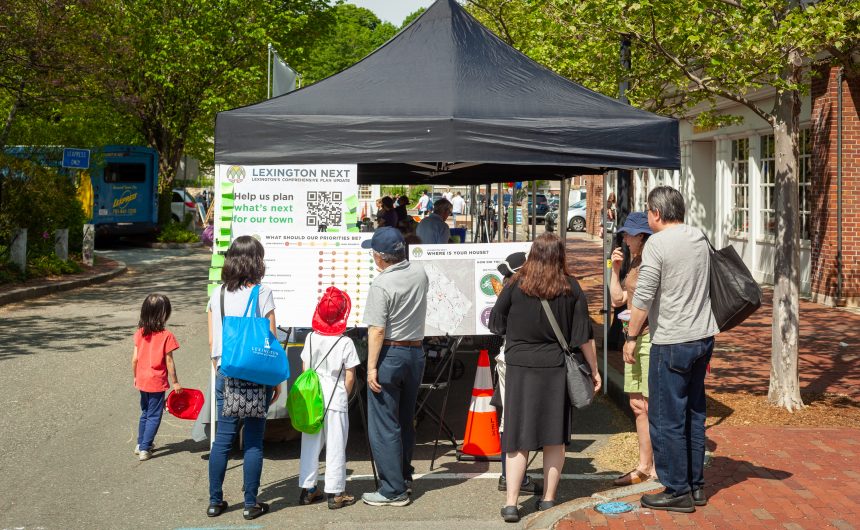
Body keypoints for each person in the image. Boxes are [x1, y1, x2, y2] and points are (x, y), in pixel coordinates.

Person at [489, 232, 600, 523]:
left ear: (532, 254)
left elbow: (495, 321)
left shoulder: (515, 284)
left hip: (520, 366)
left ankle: (511, 503)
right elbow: (582, 335)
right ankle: (548, 499)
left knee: (517, 436)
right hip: (554, 367)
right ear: (560, 256)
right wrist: (595, 370)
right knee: (554, 437)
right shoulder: (570, 287)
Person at [623, 186, 718, 513]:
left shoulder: (658, 244)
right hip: (703, 336)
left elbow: (644, 296)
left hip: (671, 339)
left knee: (666, 417)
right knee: (694, 412)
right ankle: (695, 485)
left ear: (657, 213)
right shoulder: (699, 236)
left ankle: (676, 489)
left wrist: (631, 336)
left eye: (649, 211)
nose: (648, 217)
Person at [207, 235, 283, 520]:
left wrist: (220, 369)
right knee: (253, 440)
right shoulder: (262, 293)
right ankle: (251, 504)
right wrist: (275, 380)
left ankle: (215, 501)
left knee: (223, 440)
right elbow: (271, 340)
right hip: (255, 376)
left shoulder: (219, 294)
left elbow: (212, 340)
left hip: (226, 372)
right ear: (256, 261)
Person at [360, 227, 429, 507]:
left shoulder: (381, 285)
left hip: (390, 353)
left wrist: (371, 367)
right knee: (404, 419)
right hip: (415, 352)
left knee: (384, 424)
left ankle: (392, 489)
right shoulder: (420, 272)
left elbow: (376, 330)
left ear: (379, 257)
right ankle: (403, 476)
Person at [298, 287, 361, 510]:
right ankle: (335, 493)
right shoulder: (345, 343)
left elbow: (305, 367)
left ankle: (308, 488)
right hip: (336, 398)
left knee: (310, 442)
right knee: (336, 445)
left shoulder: (310, 338)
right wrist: (344, 392)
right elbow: (350, 375)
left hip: (312, 397)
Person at [608, 212, 655, 486]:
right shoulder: (635, 260)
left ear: (641, 236)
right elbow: (618, 300)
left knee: (650, 404)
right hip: (633, 336)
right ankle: (643, 465)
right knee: (637, 405)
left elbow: (645, 302)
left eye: (628, 234)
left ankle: (657, 467)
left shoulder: (650, 260)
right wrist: (614, 271)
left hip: (646, 337)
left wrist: (633, 336)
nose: (624, 238)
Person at [492, 252, 541, 496]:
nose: (505, 278)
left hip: (509, 356)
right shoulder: (534, 290)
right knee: (518, 419)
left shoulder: (510, 291)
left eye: (508, 273)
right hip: (524, 360)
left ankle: (509, 474)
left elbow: (495, 325)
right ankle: (511, 476)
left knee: (510, 418)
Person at [132, 293, 181, 461]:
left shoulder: (140, 333)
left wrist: (135, 377)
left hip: (142, 380)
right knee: (154, 414)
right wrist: (175, 382)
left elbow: (135, 359)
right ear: (164, 314)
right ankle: (145, 447)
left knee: (145, 411)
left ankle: (140, 443)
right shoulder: (166, 336)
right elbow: (169, 361)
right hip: (156, 381)